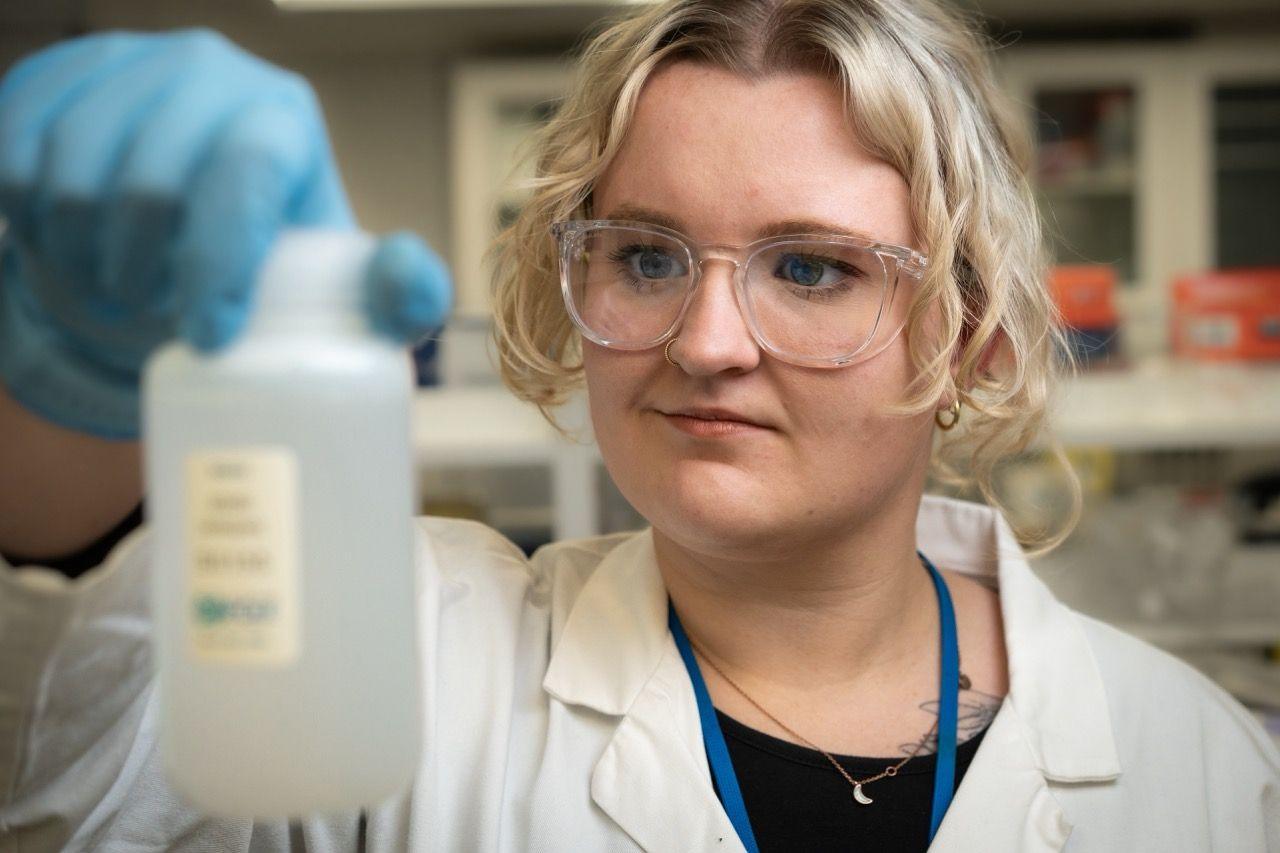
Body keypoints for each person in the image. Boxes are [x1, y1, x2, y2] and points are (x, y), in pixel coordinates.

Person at [0, 1, 1276, 851]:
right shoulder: (407, 649)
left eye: (812, 269)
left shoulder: (1204, 766)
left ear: (965, 330)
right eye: (647, 256)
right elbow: (70, 765)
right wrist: (68, 406)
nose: (706, 342)